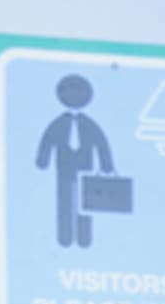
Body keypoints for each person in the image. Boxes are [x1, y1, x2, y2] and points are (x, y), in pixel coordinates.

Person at [38, 73, 117, 249]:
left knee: (84, 206)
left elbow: (101, 143)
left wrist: (107, 166)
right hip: (63, 170)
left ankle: (84, 239)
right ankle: (64, 238)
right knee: (64, 202)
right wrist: (43, 161)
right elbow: (47, 141)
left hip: (85, 170)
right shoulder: (58, 123)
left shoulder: (89, 124)